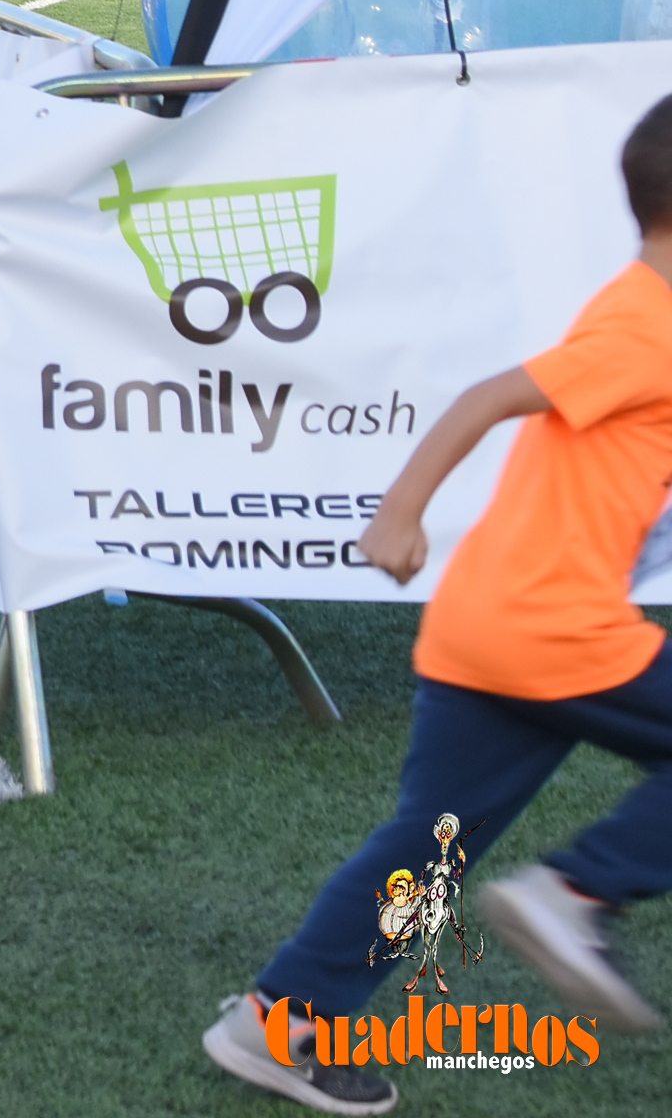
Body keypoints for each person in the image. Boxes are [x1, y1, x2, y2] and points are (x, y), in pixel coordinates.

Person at [200, 93, 672, 1116]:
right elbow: (488, 395)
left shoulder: (637, 304)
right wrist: (399, 512)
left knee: (429, 851)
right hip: (554, 627)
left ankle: (274, 1024)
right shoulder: (650, 326)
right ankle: (578, 889)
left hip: (484, 626)